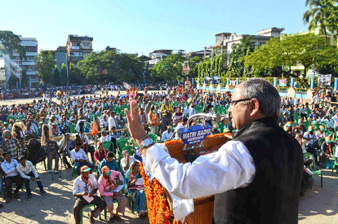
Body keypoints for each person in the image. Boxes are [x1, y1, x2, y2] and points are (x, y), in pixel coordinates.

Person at [125, 79, 303, 223]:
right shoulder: (292, 143)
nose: (229, 109)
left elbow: (183, 181)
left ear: (253, 106)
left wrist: (143, 139)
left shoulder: (243, 149)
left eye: (233, 103)